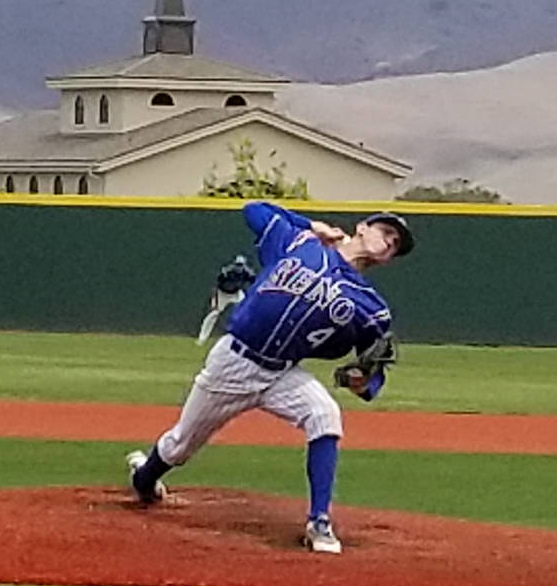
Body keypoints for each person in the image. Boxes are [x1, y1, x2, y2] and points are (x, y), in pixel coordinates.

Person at [126, 200, 415, 554]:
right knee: (179, 446)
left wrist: (365, 383)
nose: (388, 243)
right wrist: (312, 224)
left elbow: (374, 369)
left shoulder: (371, 306)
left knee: (325, 414)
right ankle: (144, 478)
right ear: (362, 227)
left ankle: (319, 521)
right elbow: (254, 210)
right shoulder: (300, 243)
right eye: (386, 232)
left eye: (395, 244)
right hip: (233, 362)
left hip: (282, 373)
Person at [196, 255, 256, 345]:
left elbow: (254, 281)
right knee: (214, 314)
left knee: (246, 311)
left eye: (241, 265)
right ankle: (202, 338)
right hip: (222, 293)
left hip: (236, 293)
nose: (239, 268)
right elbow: (218, 282)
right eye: (237, 265)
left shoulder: (247, 272)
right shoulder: (227, 271)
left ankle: (245, 339)